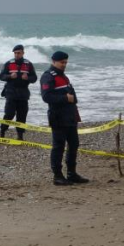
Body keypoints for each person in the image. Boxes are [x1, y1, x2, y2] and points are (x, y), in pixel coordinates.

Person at [40, 51, 89, 186]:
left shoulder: (64, 77)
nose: (64, 65)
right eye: (62, 62)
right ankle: (57, 175)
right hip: (58, 117)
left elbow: (73, 96)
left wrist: (72, 101)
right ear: (54, 61)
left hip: (70, 116)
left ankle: (72, 173)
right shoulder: (48, 76)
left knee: (74, 144)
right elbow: (46, 97)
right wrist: (65, 98)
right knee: (59, 146)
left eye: (66, 62)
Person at [0, 44, 37, 140]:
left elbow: (34, 78)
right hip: (10, 92)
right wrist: (9, 76)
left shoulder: (28, 64)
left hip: (23, 93)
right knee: (9, 114)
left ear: (23, 53)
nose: (16, 55)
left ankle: (20, 136)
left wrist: (27, 78)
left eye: (18, 53)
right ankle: (2, 132)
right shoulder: (8, 63)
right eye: (15, 53)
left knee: (22, 115)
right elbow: (1, 76)